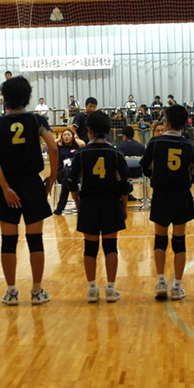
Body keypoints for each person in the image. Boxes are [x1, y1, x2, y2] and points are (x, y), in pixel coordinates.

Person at [0, 76, 58, 306]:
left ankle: (11, 292)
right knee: (35, 239)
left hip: (8, 185)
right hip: (32, 184)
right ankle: (37, 291)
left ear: (4, 98)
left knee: (8, 241)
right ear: (28, 97)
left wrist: (6, 187)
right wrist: (52, 177)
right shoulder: (37, 120)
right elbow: (54, 147)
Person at [67, 111, 129, 303]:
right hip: (111, 203)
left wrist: (77, 202)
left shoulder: (81, 153)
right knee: (111, 247)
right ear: (109, 130)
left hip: (89, 203)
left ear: (90, 131)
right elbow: (124, 185)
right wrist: (124, 208)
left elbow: (71, 181)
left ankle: (92, 289)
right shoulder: (116, 153)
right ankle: (110, 289)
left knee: (90, 247)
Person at [139, 105, 194, 300]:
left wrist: (157, 176)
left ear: (166, 122)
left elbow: (145, 167)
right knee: (179, 241)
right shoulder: (191, 146)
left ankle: (160, 281)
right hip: (182, 195)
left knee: (160, 238)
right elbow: (193, 171)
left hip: (161, 195)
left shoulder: (155, 142)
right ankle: (178, 286)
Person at [53, 129, 85, 215]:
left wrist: (75, 138)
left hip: (73, 175)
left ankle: (60, 208)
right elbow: (50, 145)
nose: (66, 137)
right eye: (64, 135)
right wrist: (59, 139)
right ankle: (78, 201)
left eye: (68, 135)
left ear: (73, 137)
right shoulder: (59, 148)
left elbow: (82, 144)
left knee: (67, 178)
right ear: (62, 137)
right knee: (68, 173)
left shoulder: (76, 148)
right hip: (61, 173)